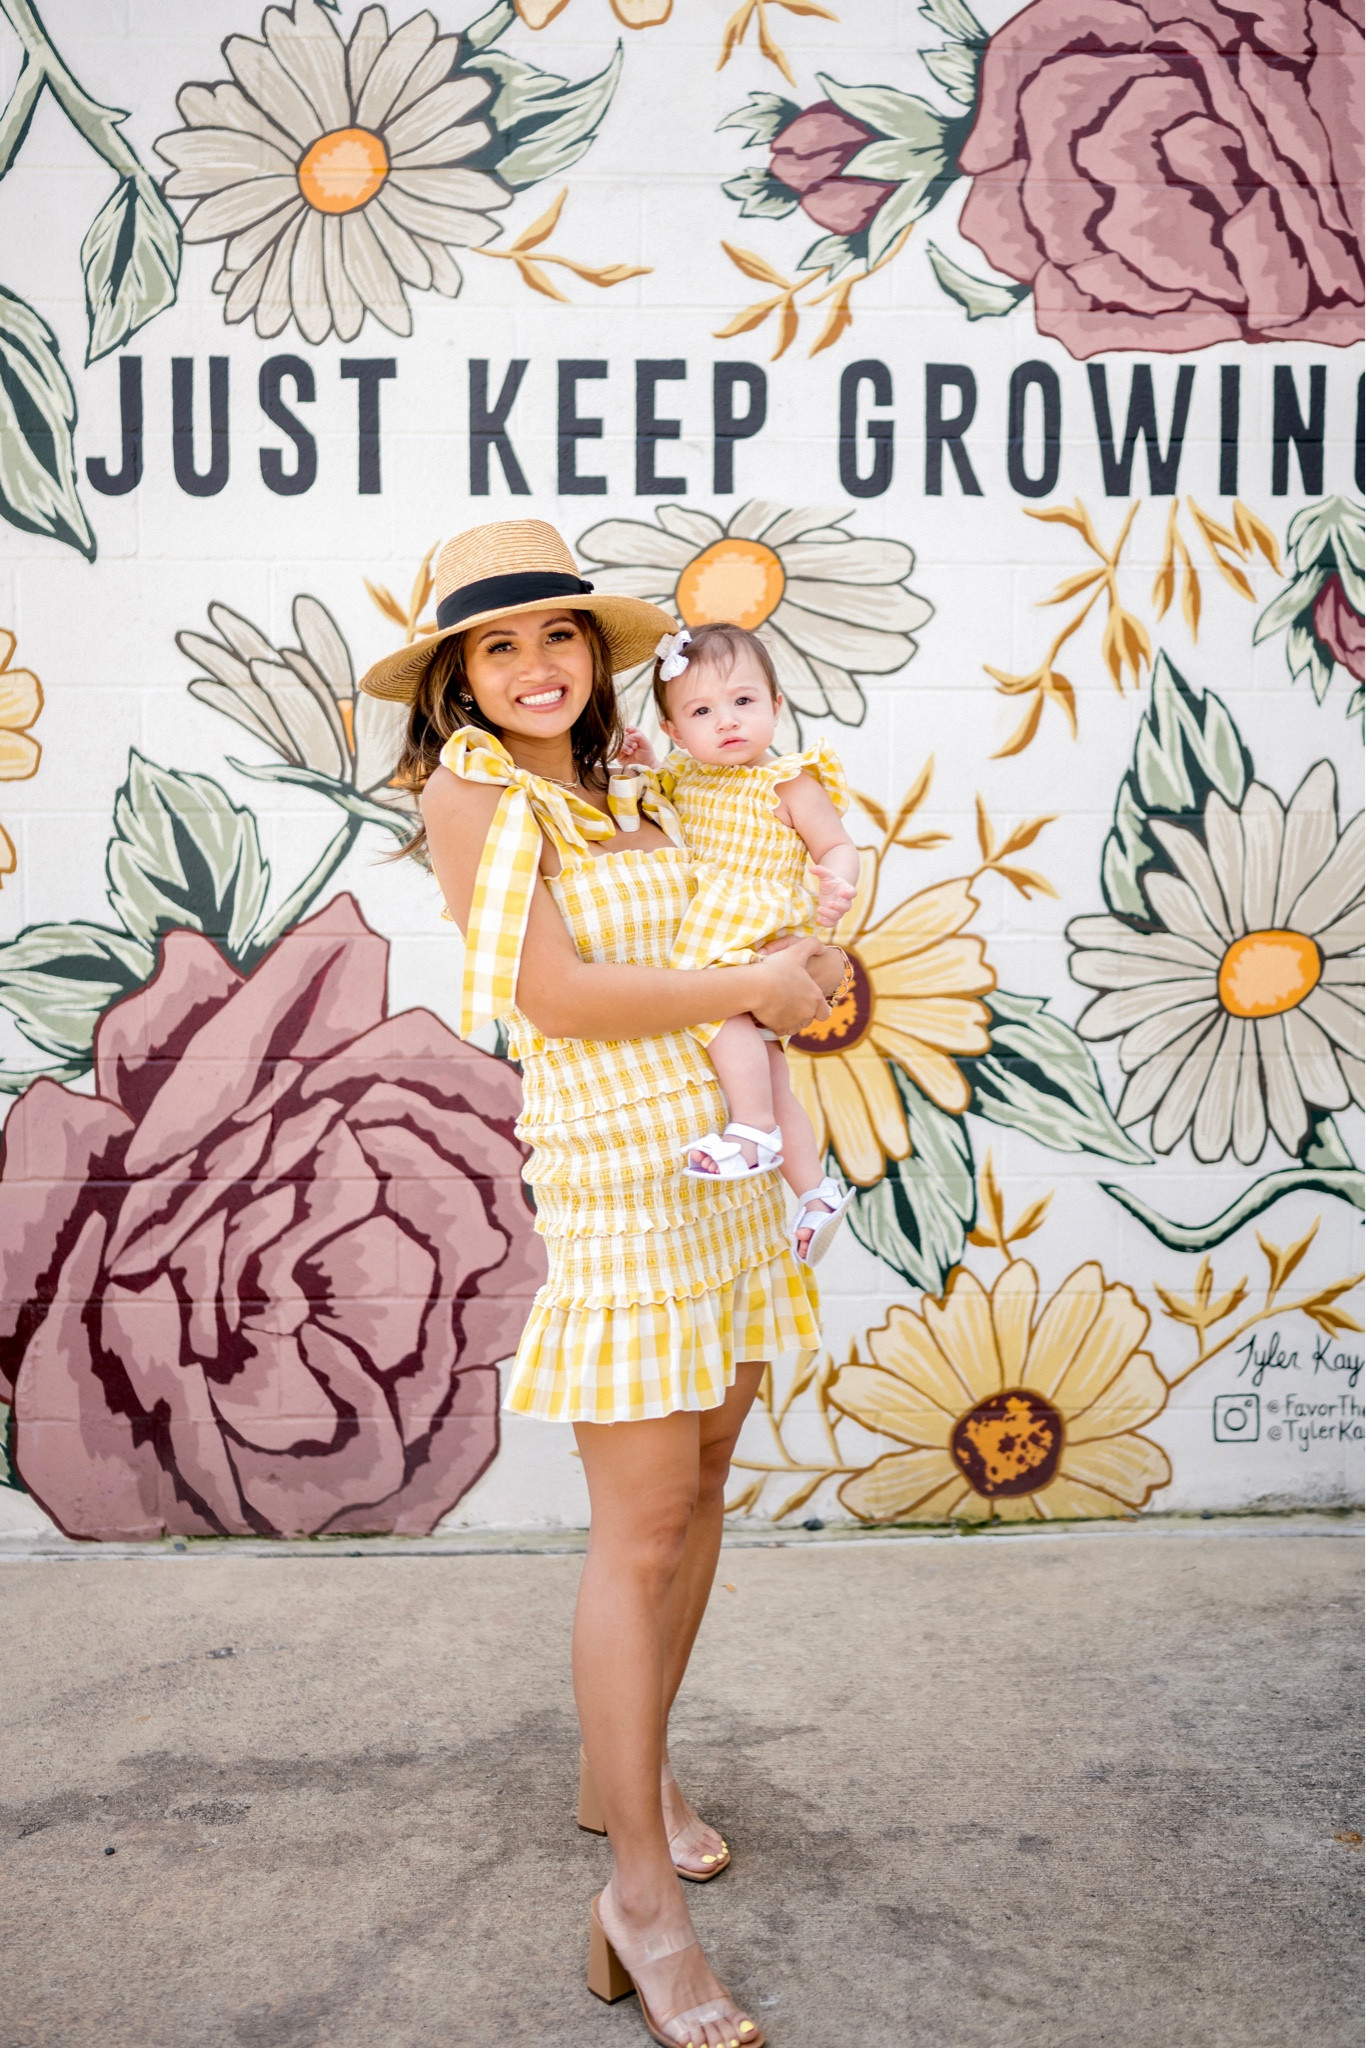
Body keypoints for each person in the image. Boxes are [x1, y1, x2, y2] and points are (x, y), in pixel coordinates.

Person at [359, 520, 845, 2048]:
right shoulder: (474, 790)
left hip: (722, 1173)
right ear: (455, 679)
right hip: (623, 1184)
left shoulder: (638, 772)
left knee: (702, 1489)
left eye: (556, 637)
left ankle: (615, 1774)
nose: (532, 667)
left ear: (597, 651)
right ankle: (638, 1893)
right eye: (496, 648)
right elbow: (547, 995)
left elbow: (753, 882)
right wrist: (747, 989)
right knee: (638, 1534)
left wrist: (806, 954)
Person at [619, 621, 860, 1266]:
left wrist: (837, 885)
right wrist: (642, 762)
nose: (727, 721)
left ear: (777, 707)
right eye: (701, 711)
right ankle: (814, 1193)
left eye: (744, 702)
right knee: (771, 1068)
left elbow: (835, 842)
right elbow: (657, 796)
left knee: (720, 1013)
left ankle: (752, 1133)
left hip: (751, 926)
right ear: (675, 732)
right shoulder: (685, 778)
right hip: (718, 925)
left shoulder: (787, 782)